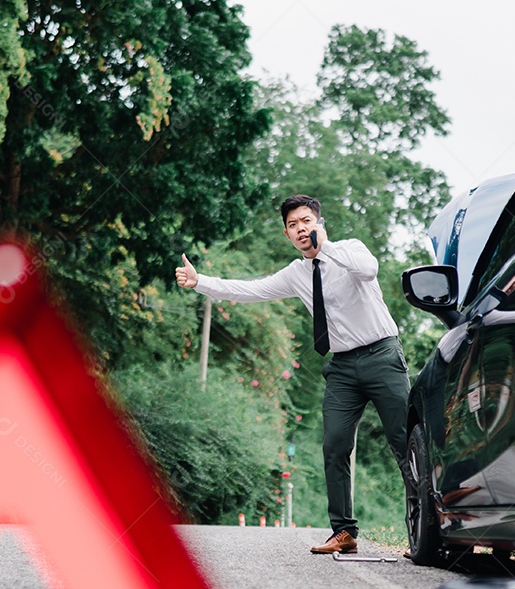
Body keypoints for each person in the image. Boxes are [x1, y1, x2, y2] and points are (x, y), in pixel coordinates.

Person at [175, 195, 411, 555]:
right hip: (343, 367)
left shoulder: (349, 250)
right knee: (334, 445)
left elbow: (369, 270)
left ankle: (428, 528)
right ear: (286, 233)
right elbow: (250, 290)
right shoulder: (296, 274)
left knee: (404, 442)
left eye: (306, 221)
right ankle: (344, 532)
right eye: (293, 225)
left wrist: (325, 249)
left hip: (382, 354)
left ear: (320, 223)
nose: (301, 229)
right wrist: (200, 281)